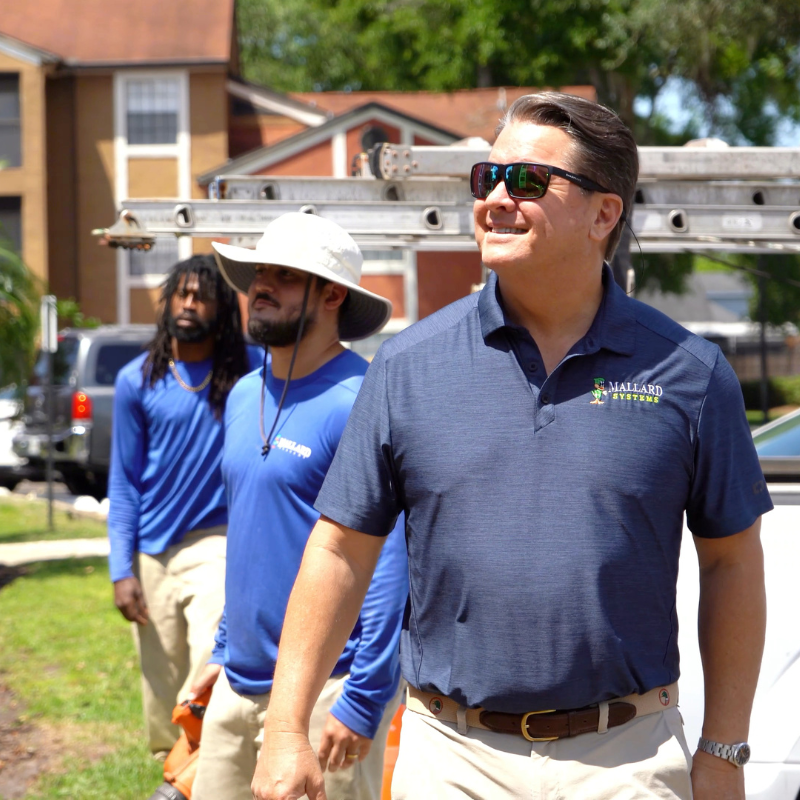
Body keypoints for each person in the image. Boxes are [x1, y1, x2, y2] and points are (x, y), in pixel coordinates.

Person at [251, 93, 772, 800]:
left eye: (526, 181)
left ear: (603, 214)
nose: (496, 197)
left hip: (628, 759)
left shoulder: (690, 372)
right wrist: (285, 729)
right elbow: (340, 550)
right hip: (451, 758)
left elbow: (732, 561)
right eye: (485, 178)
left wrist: (724, 751)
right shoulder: (407, 366)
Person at [188, 213, 408, 800]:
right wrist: (222, 648)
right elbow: (250, 537)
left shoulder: (361, 400)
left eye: (285, 275)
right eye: (260, 271)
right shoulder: (241, 394)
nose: (262, 286)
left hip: (326, 693)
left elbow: (388, 563)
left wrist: (363, 700)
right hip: (237, 685)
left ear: (333, 293)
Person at [108, 254, 258, 757]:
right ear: (169, 300)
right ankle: (172, 772)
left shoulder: (249, 371)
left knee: (205, 667)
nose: (190, 303)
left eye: (203, 295)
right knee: (160, 677)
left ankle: (204, 769)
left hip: (214, 544)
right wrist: (119, 568)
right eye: (183, 293)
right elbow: (124, 481)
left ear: (221, 309)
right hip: (150, 551)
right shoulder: (137, 379)